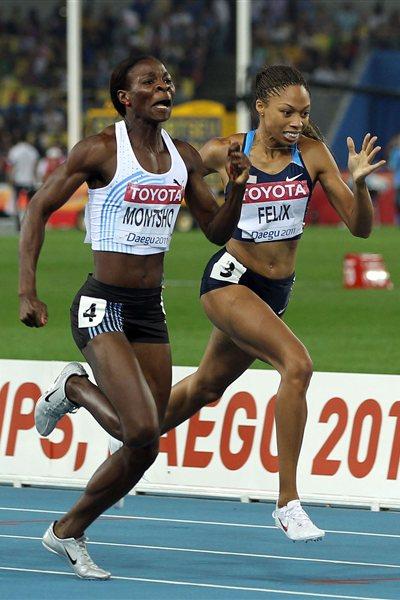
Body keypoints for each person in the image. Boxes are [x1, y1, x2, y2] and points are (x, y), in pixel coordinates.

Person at [112, 64, 385, 542]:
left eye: (304, 112)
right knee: (297, 365)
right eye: (287, 111)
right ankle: (288, 503)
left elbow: (361, 229)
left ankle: (120, 446)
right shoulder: (227, 150)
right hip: (229, 281)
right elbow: (173, 173)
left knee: (204, 388)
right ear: (261, 108)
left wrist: (358, 182)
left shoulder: (313, 154)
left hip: (274, 294)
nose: (297, 120)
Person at [19, 54, 250, 580]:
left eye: (167, 80)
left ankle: (68, 530)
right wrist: (27, 291)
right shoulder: (101, 150)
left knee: (144, 447)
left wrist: (236, 184)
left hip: (150, 310)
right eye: (150, 81)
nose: (163, 87)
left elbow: (215, 229)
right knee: (140, 426)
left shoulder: (183, 156)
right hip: (103, 303)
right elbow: (37, 209)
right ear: (126, 96)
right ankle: (74, 386)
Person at [7, 133, 39, 230]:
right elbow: (35, 167)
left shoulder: (14, 151)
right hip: (30, 180)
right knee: (30, 204)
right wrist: (36, 179)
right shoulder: (32, 150)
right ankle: (29, 223)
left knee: (17, 204)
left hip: (18, 180)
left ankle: (18, 224)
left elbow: (11, 167)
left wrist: (10, 178)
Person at [388, 133, 400, 225]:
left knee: (397, 203)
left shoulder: (396, 152)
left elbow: (391, 166)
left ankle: (397, 221)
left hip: (398, 181)